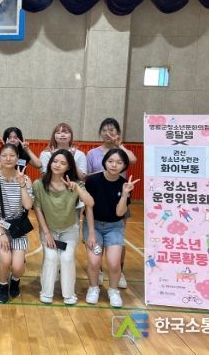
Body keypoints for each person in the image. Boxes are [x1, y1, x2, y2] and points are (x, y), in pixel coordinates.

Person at [33, 149, 94, 305]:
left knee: (67, 258)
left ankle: (69, 294)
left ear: (69, 167)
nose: (57, 165)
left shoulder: (76, 184)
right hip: (49, 230)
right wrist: (47, 233)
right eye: (55, 161)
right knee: (51, 257)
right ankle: (46, 292)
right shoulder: (39, 184)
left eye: (62, 163)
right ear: (50, 163)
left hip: (69, 230)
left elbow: (90, 203)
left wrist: (77, 188)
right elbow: (38, 209)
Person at [86, 118, 137, 289]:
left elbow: (133, 160)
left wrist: (119, 144)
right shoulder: (93, 153)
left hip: (120, 197)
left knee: (117, 238)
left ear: (118, 133)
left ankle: (118, 271)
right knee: (97, 241)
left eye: (112, 130)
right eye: (105, 130)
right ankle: (98, 270)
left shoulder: (122, 151)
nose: (108, 133)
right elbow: (87, 175)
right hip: (98, 198)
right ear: (100, 133)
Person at [83, 148, 139, 308]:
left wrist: (125, 194)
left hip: (114, 227)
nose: (114, 165)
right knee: (94, 262)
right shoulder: (92, 180)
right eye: (111, 161)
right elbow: (89, 208)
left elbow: (120, 213)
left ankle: (113, 291)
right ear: (105, 162)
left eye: (119, 162)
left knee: (114, 263)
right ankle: (93, 288)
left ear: (124, 165)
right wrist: (91, 234)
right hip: (93, 225)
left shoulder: (125, 184)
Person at [0, 144, 34, 303]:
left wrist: (22, 184)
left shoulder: (25, 179)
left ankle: (15, 280)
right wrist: (1, 233)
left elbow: (28, 205)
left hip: (18, 225)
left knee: (18, 266)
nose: (8, 158)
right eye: (4, 155)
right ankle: (2, 285)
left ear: (17, 158)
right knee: (5, 260)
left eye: (12, 155)